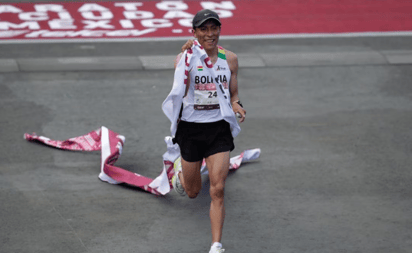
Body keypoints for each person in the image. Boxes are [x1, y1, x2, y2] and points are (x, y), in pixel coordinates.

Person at [165, 9, 246, 253]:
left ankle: (216, 245)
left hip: (218, 128)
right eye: (204, 29)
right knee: (192, 192)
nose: (210, 34)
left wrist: (236, 105)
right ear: (195, 32)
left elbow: (233, 94)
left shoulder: (230, 59)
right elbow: (180, 88)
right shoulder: (185, 59)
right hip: (191, 129)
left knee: (218, 188)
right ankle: (179, 170)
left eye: (214, 28)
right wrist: (186, 53)